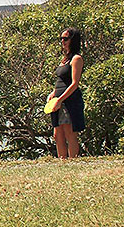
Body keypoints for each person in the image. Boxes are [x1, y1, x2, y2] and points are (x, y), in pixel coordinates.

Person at [47, 28, 85, 159]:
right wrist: (53, 94)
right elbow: (61, 80)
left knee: (70, 132)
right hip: (57, 100)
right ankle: (62, 160)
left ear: (73, 40)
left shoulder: (76, 59)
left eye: (65, 39)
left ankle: (73, 160)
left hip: (69, 100)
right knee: (57, 134)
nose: (62, 41)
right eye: (61, 39)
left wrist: (60, 99)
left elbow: (74, 83)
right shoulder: (64, 59)